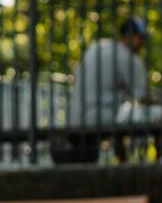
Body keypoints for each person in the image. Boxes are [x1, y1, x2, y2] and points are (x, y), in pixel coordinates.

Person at [66, 15, 154, 160]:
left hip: (76, 118)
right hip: (104, 119)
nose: (143, 44)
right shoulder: (130, 58)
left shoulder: (96, 46)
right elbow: (142, 97)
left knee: (121, 111)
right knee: (159, 114)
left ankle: (122, 163)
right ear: (132, 37)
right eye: (141, 38)